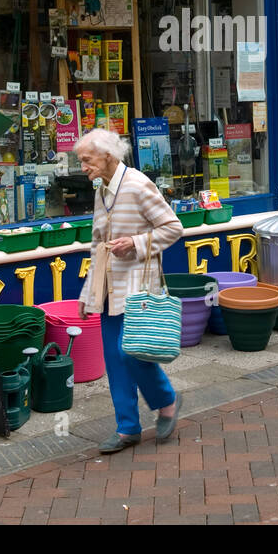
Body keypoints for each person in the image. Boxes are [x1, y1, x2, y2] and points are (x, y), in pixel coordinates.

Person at [75, 129, 183, 454]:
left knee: (131, 352)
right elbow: (98, 245)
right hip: (109, 289)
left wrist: (134, 244)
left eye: (86, 160)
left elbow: (173, 227)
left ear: (108, 155)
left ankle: (167, 401)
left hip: (137, 286)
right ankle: (127, 429)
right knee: (114, 360)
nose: (82, 166)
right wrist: (86, 294)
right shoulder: (102, 190)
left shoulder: (137, 184)